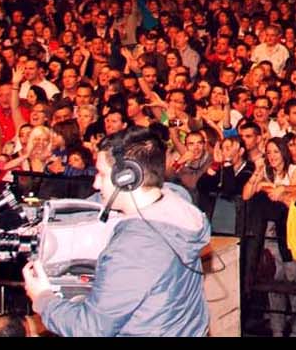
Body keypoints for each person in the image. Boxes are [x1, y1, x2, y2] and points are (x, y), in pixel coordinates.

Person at [21, 126, 211, 336]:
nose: (95, 183)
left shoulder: (134, 247)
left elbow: (90, 328)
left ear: (127, 178)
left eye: (101, 174)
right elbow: (97, 205)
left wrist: (43, 298)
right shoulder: (176, 199)